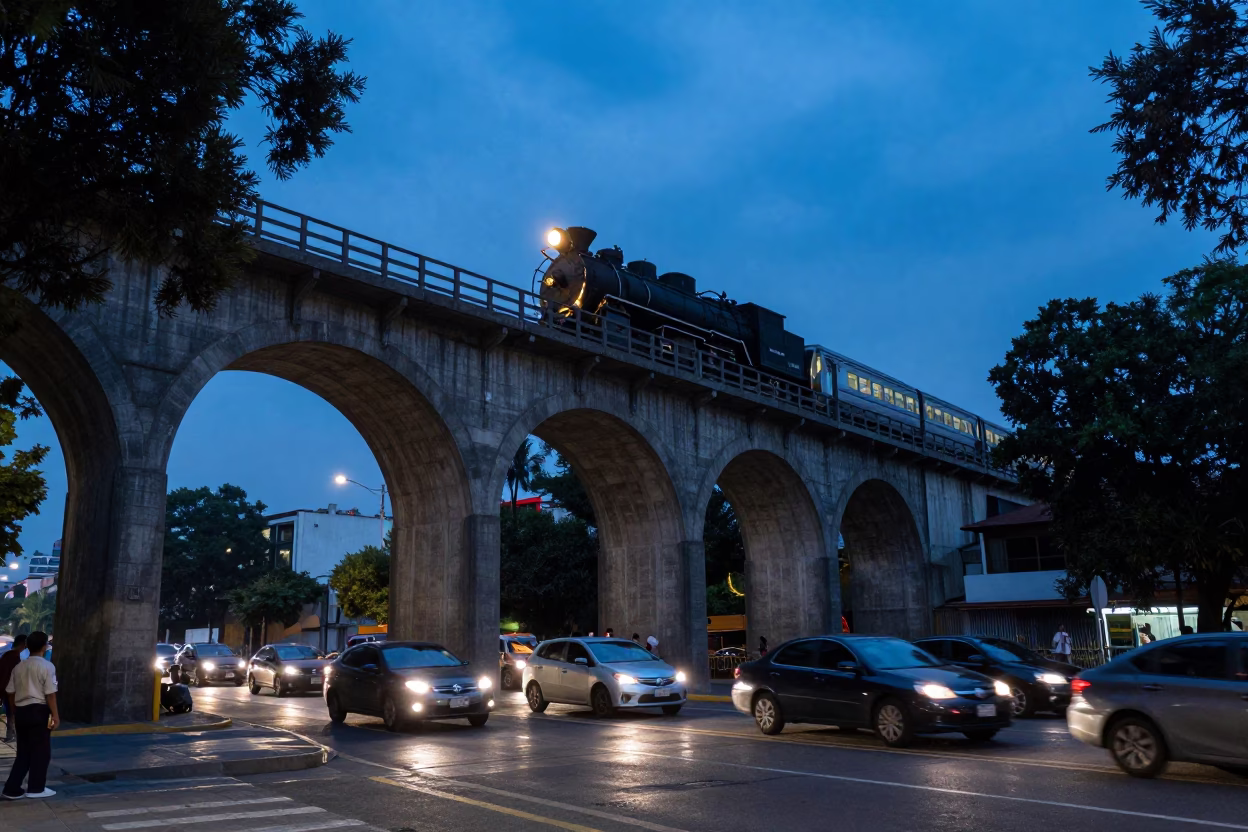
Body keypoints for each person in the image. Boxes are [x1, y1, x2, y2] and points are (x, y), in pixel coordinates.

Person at [3, 630, 60, 800]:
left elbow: (10, 691)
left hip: (21, 711)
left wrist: (14, 709)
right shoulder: (47, 666)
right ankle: (36, 788)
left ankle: (12, 788)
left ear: (27, 646)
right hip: (39, 710)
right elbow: (50, 694)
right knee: (41, 752)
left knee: (23, 752)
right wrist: (55, 716)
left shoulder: (19, 667)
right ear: (45, 646)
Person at [0, 635, 26, 743]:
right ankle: (12, 734)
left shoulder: (8, 655)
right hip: (11, 689)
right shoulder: (14, 657)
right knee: (12, 711)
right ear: (23, 644)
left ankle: (11, 734)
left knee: (11, 712)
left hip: (6, 689)